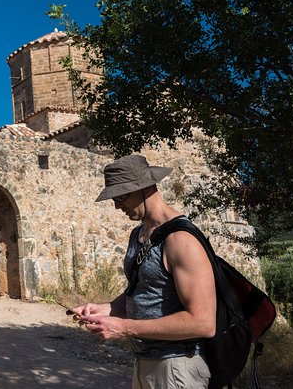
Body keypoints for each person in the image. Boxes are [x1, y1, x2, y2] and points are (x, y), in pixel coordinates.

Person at [72, 154, 216, 389]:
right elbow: (145, 288)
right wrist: (107, 309)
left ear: (147, 187)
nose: (117, 205)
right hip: (144, 363)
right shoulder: (138, 234)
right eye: (113, 198)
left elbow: (203, 322)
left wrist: (123, 326)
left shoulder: (181, 239)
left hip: (177, 368)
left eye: (121, 196)